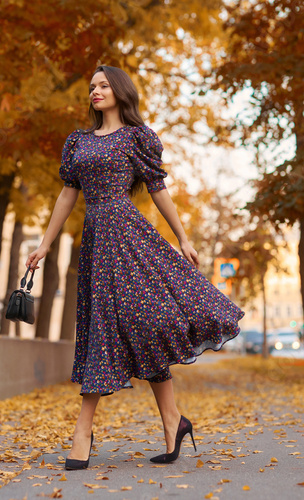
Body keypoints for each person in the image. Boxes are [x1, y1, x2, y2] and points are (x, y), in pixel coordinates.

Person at [26, 65, 244, 470]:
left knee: (149, 325)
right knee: (102, 331)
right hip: (96, 243)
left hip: (130, 237)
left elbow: (158, 188)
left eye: (104, 85)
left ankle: (168, 420)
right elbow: (66, 196)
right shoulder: (79, 142)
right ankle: (89, 431)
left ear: (120, 91)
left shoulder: (135, 138)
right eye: (91, 86)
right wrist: (44, 243)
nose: (95, 91)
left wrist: (183, 237)